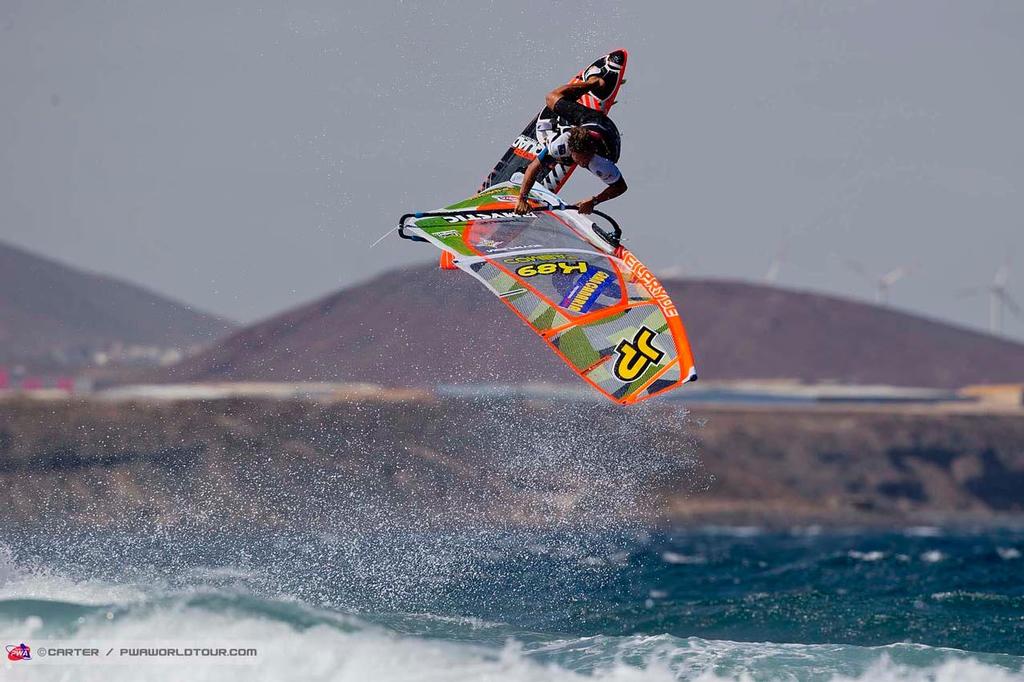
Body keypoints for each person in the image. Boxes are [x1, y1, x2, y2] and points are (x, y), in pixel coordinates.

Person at [514, 76, 627, 215]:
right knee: (551, 98)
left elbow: (620, 187)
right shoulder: (563, 143)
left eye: (586, 159)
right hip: (588, 121)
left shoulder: (600, 163)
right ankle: (593, 83)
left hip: (609, 138)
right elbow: (533, 167)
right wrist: (522, 198)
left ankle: (564, 155)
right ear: (571, 149)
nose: (583, 163)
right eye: (580, 159)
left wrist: (594, 201)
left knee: (569, 159)